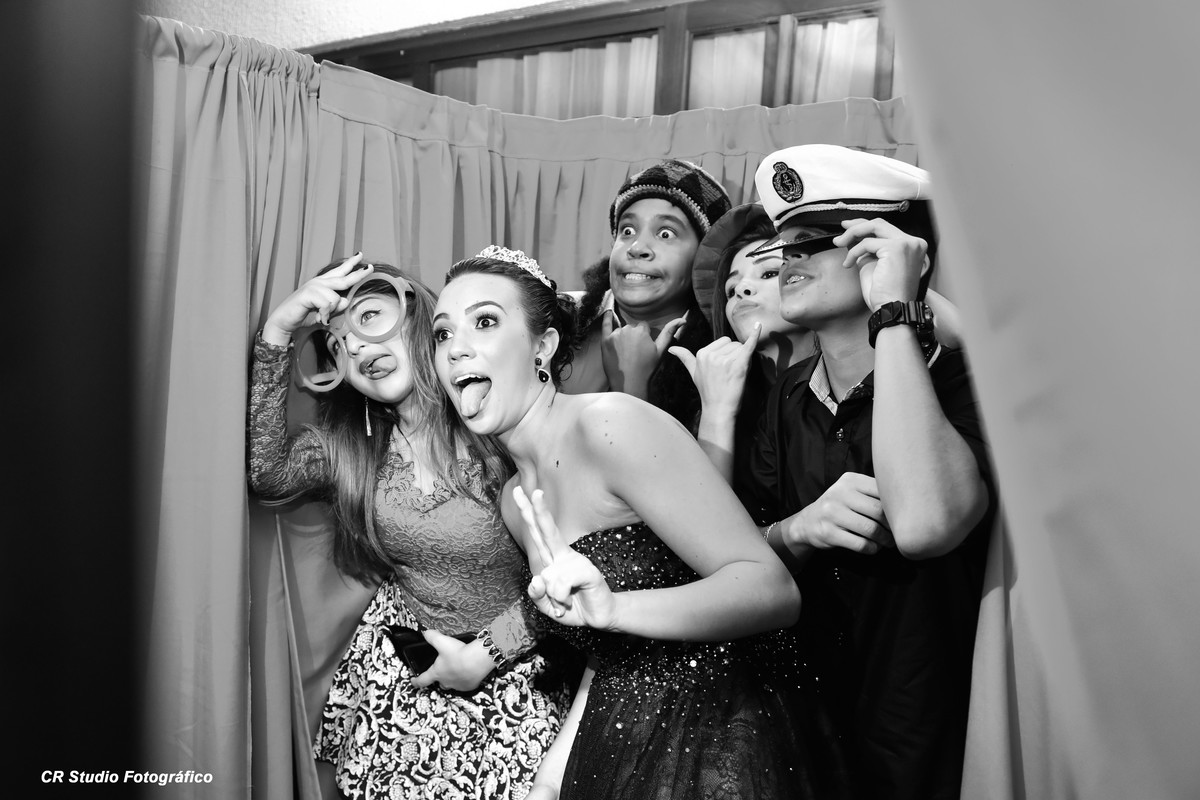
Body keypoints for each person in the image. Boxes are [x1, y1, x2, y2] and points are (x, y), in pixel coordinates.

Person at [431, 248, 833, 800]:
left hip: (720, 734)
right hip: (621, 739)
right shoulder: (514, 500)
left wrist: (617, 610)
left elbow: (772, 591)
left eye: (484, 322)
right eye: (442, 333)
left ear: (542, 347)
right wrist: (550, 779)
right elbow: (605, 650)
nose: (456, 348)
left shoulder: (609, 425)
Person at [246, 254, 570, 800]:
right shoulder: (354, 450)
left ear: (420, 317)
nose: (357, 347)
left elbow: (582, 567)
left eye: (369, 318)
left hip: (521, 669)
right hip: (404, 672)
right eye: (337, 343)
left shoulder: (499, 423)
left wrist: (487, 653)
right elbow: (269, 474)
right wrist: (279, 330)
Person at [741, 144, 999, 800]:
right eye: (784, 245)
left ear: (890, 252)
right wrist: (797, 529)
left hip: (930, 744)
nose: (788, 260)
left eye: (815, 241)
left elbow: (927, 525)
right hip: (804, 737)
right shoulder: (784, 394)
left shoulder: (966, 380)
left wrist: (894, 312)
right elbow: (741, 554)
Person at [562, 158, 731, 427]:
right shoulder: (556, 319)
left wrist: (632, 387)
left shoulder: (721, 357)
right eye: (627, 231)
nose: (637, 248)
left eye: (665, 234)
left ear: (704, 258)